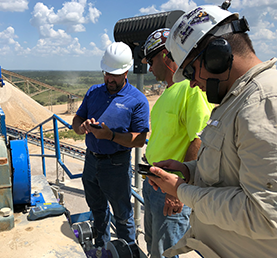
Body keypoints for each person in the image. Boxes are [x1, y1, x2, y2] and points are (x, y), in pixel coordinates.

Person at [147, 3, 277, 258]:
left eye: (190, 71)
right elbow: (231, 170)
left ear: (216, 56)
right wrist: (189, 171)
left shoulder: (262, 103)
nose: (193, 83)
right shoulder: (237, 99)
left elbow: (264, 215)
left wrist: (182, 191)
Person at [141, 28, 213, 258]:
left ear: (165, 56)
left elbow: (199, 138)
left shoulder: (190, 89)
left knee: (167, 251)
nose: (149, 68)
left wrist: (176, 191)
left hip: (170, 188)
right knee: (154, 244)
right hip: (153, 183)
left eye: (151, 61)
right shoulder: (168, 92)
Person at [72, 41, 150, 254]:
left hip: (116, 164)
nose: (109, 79)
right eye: (107, 73)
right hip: (91, 160)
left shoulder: (137, 100)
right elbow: (77, 119)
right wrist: (82, 128)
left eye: (115, 75)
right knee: (97, 209)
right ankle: (101, 248)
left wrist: (111, 136)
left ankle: (127, 251)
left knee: (122, 215)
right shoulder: (94, 92)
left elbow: (139, 139)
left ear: (126, 71)